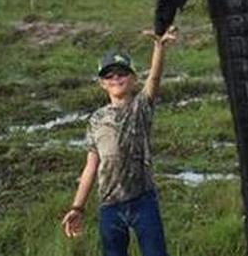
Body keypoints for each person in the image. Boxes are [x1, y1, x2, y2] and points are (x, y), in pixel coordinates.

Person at [61, 26, 178, 256]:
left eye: (122, 73)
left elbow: (154, 78)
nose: (116, 78)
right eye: (109, 75)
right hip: (110, 206)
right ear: (102, 83)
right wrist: (77, 207)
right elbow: (91, 166)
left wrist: (159, 48)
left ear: (133, 78)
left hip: (143, 201)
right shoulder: (96, 120)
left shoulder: (141, 107)